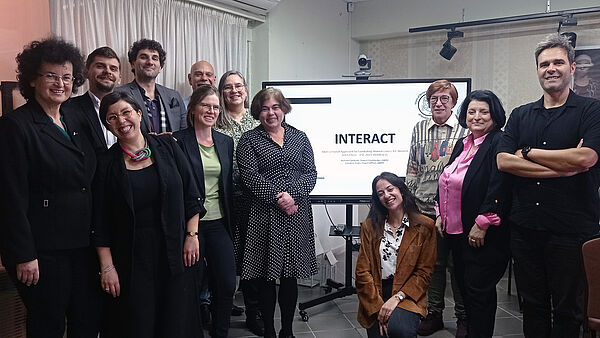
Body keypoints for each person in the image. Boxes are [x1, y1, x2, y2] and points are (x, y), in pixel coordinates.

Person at [497, 33, 600, 338]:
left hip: (571, 229)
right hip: (526, 228)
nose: (550, 68)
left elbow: (586, 158)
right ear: (537, 70)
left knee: (568, 309)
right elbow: (503, 161)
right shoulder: (520, 115)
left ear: (571, 67)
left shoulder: (591, 111)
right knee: (532, 305)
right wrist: (564, 166)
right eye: (544, 64)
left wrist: (529, 152)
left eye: (557, 62)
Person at [0, 37, 101, 338]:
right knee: (48, 324)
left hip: (82, 244)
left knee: (87, 319)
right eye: (51, 75)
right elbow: (9, 196)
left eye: (67, 77)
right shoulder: (15, 126)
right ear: (32, 78)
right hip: (43, 251)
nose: (61, 83)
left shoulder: (74, 119)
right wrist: (23, 254)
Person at [93, 91, 205, 337]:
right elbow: (99, 220)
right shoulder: (106, 163)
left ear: (139, 114)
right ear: (108, 126)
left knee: (176, 320)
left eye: (126, 112)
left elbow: (192, 193)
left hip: (175, 252)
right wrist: (107, 267)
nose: (121, 121)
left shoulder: (167, 146)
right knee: (139, 324)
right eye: (112, 118)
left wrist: (192, 235)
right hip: (132, 260)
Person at [237, 87, 317, 338]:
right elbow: (249, 176)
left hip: (296, 212)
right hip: (264, 213)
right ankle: (270, 330)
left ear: (284, 109)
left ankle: (288, 331)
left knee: (290, 276)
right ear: (257, 113)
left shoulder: (300, 138)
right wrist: (277, 197)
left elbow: (311, 172)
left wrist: (292, 195)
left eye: (275, 107)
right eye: (264, 108)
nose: (270, 113)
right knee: (266, 276)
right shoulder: (248, 140)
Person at [437, 90, 510, 338]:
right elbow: (448, 181)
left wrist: (484, 220)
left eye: (483, 111)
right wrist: (440, 213)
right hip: (456, 232)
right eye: (471, 111)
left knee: (479, 294)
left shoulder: (499, 141)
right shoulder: (463, 143)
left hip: (482, 233)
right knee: (468, 291)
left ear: (494, 115)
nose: (476, 117)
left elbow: (499, 183)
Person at [405, 79, 469, 337]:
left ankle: (464, 317)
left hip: (456, 212)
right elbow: (412, 167)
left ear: (453, 102)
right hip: (424, 209)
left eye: (445, 98)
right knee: (433, 265)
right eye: (434, 99)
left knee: (458, 266)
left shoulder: (465, 130)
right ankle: (434, 314)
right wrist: (410, 202)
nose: (439, 103)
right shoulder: (419, 128)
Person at [173, 84, 236, 338]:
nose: (211, 111)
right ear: (193, 109)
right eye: (205, 106)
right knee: (191, 286)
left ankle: (220, 332)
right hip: (190, 226)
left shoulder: (225, 141)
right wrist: (190, 234)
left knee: (227, 283)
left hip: (219, 223)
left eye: (215, 107)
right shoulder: (178, 141)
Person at [356, 172, 437, 338]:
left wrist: (397, 298)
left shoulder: (425, 226)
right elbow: (362, 272)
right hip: (376, 291)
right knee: (379, 333)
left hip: (407, 293)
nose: (387, 195)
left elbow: (424, 273)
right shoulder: (369, 227)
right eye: (380, 193)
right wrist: (380, 309)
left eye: (390, 189)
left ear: (400, 190)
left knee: (399, 330)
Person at [215, 70, 263, 335]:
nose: (234, 91)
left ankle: (254, 312)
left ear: (246, 89)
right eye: (228, 87)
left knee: (252, 258)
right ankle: (217, 309)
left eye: (238, 86)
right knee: (226, 259)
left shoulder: (258, 121)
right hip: (224, 199)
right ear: (221, 92)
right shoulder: (215, 120)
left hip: (254, 199)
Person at [115, 38, 187, 133]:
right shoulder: (120, 94)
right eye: (144, 57)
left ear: (160, 67)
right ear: (133, 64)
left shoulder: (174, 95)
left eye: (155, 58)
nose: (150, 62)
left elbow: (183, 132)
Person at [65, 46, 121, 150]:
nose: (107, 71)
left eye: (113, 69)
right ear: (86, 72)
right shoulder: (68, 109)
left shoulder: (129, 111)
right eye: (100, 66)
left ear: (119, 78)